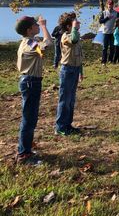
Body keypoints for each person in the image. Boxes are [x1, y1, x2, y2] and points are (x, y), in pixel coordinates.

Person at [15, 15, 52, 164]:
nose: (38, 25)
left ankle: (26, 149)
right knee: (29, 119)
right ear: (30, 29)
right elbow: (48, 43)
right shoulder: (30, 43)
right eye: (36, 24)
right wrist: (44, 26)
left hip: (31, 81)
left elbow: (42, 52)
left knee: (30, 118)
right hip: (30, 82)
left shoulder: (29, 42)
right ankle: (24, 155)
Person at [55, 13, 83, 136]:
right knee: (64, 100)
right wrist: (75, 28)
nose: (78, 24)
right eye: (75, 23)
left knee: (71, 100)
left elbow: (79, 55)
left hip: (75, 69)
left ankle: (68, 125)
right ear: (68, 26)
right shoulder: (65, 36)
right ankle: (60, 127)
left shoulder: (75, 34)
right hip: (67, 71)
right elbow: (74, 39)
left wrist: (81, 71)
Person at [99, 0, 119, 65]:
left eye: (111, 4)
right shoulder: (104, 12)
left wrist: (118, 26)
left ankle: (110, 60)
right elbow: (100, 21)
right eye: (109, 4)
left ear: (113, 5)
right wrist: (107, 18)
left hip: (112, 33)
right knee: (105, 48)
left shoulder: (116, 13)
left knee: (112, 47)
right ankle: (103, 61)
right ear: (107, 5)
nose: (110, 5)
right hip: (105, 32)